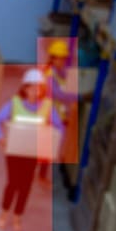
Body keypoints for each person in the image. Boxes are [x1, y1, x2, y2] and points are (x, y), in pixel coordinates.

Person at [0, 69, 64, 231]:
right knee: (12, 183)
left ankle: (18, 216)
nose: (35, 91)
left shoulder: (47, 106)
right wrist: (0, 137)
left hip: (32, 154)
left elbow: (59, 127)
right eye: (32, 87)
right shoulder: (14, 103)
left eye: (39, 88)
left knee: (25, 185)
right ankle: (4, 213)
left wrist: (53, 143)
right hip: (14, 152)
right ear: (25, 88)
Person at [38, 40, 93, 186]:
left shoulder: (56, 71)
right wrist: (81, 97)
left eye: (64, 58)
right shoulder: (49, 74)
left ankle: (42, 172)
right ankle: (41, 175)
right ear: (53, 58)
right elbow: (58, 94)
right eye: (59, 58)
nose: (62, 61)